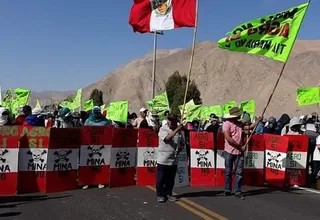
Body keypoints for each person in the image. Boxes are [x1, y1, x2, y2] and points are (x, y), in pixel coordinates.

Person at [222, 107, 261, 200]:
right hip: (229, 151)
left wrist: (257, 121)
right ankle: (227, 189)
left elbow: (249, 127)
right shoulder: (226, 125)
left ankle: (238, 191)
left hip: (239, 152)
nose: (239, 116)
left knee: (239, 172)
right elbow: (229, 139)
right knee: (228, 171)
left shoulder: (240, 124)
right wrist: (240, 146)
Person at [156, 114, 185, 203]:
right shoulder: (163, 129)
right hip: (163, 158)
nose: (169, 122)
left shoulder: (180, 131)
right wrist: (177, 129)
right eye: (168, 120)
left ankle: (169, 193)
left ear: (175, 121)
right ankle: (160, 195)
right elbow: (167, 138)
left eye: (172, 120)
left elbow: (182, 143)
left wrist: (179, 149)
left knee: (170, 179)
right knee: (161, 178)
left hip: (174, 159)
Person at [82, 106, 111, 190]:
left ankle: (100, 181)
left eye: (98, 112)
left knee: (100, 163)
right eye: (95, 112)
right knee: (88, 163)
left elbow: (109, 131)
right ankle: (87, 181)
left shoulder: (105, 121)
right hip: (90, 145)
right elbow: (84, 131)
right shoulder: (88, 121)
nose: (97, 113)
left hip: (102, 145)